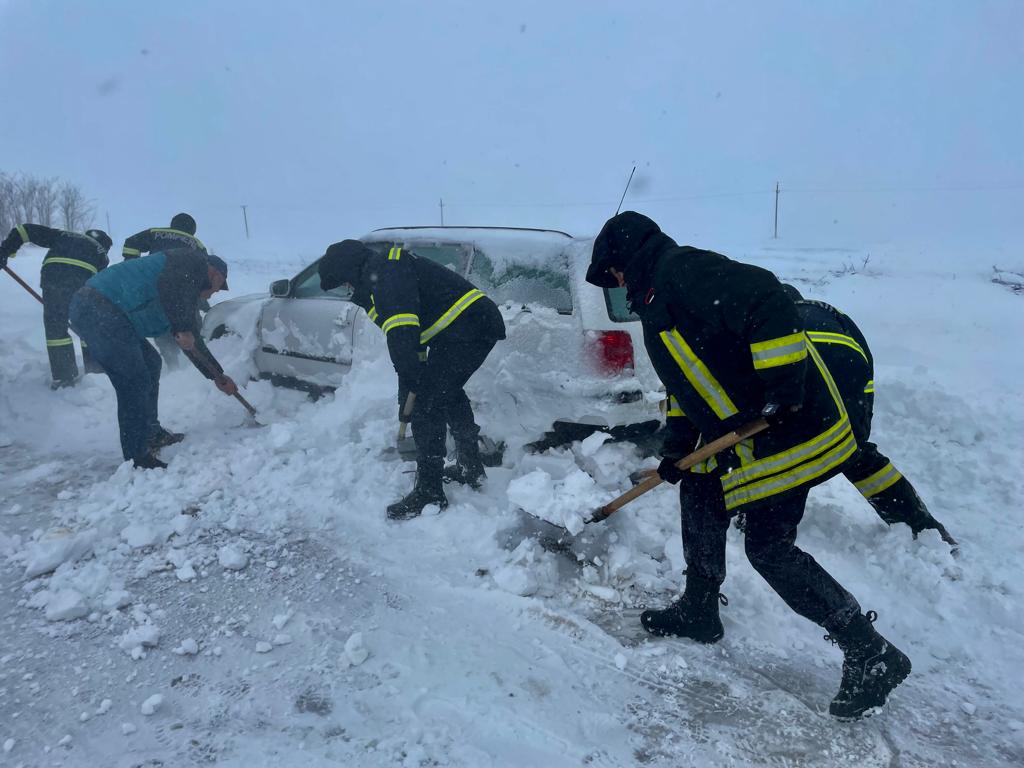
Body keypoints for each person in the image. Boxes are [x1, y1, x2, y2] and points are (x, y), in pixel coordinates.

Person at [585, 211, 911, 720]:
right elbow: (685, 388)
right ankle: (699, 607)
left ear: (625, 256)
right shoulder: (657, 301)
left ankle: (870, 652)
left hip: (789, 433)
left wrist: (783, 389)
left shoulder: (681, 271)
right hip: (745, 437)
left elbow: (766, 297)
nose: (617, 283)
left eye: (615, 272)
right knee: (696, 486)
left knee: (768, 548)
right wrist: (676, 451)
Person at [318, 240, 506, 520]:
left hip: (470, 329)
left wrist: (411, 386)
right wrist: (409, 382)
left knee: (427, 405)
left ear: (350, 270)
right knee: (447, 392)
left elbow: (402, 333)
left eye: (344, 282)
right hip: (462, 330)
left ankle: (430, 492)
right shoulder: (381, 274)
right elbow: (411, 340)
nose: (346, 288)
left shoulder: (387, 274)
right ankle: (469, 465)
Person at [780, 284, 955, 546]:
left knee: (788, 448)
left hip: (810, 375)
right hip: (850, 373)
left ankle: (765, 521)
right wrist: (859, 423)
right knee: (856, 453)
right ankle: (922, 528)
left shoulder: (777, 320)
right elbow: (865, 359)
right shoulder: (830, 313)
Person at [68, 249, 237, 469]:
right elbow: (172, 288)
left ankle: (150, 432)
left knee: (151, 363)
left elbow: (192, 343)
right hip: (98, 305)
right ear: (214, 274)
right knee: (134, 380)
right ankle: (137, 456)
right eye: (219, 286)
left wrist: (217, 375)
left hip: (112, 313)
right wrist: (182, 327)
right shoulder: (190, 262)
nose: (214, 293)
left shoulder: (183, 298)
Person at [0, 223, 112, 388]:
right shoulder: (102, 255)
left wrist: (5, 251)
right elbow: (101, 285)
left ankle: (64, 377)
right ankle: (95, 372)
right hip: (82, 282)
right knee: (88, 326)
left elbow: (24, 230)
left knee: (56, 328)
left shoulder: (64, 235)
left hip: (53, 279)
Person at [121, 213, 207, 369]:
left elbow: (131, 243)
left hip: (156, 287)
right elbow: (203, 274)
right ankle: (192, 362)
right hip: (183, 292)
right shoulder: (197, 244)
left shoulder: (156, 233)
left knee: (161, 322)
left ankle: (172, 363)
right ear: (193, 230)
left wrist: (132, 264)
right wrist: (201, 301)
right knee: (190, 323)